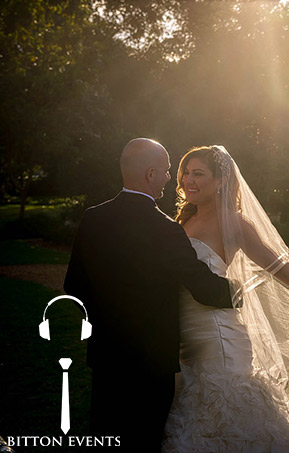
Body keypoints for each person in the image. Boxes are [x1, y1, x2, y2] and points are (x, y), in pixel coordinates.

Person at [162, 145, 289, 452]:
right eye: (186, 173)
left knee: (225, 415)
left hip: (218, 336)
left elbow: (279, 266)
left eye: (198, 174)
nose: (188, 180)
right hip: (184, 337)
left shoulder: (234, 223)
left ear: (220, 181)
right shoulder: (181, 221)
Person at [63, 138, 234, 451]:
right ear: (151, 174)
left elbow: (73, 286)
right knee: (144, 438)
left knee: (107, 435)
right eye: (168, 171)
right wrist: (245, 289)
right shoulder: (165, 230)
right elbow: (206, 289)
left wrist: (107, 320)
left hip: (107, 356)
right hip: (151, 361)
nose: (172, 178)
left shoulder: (93, 219)